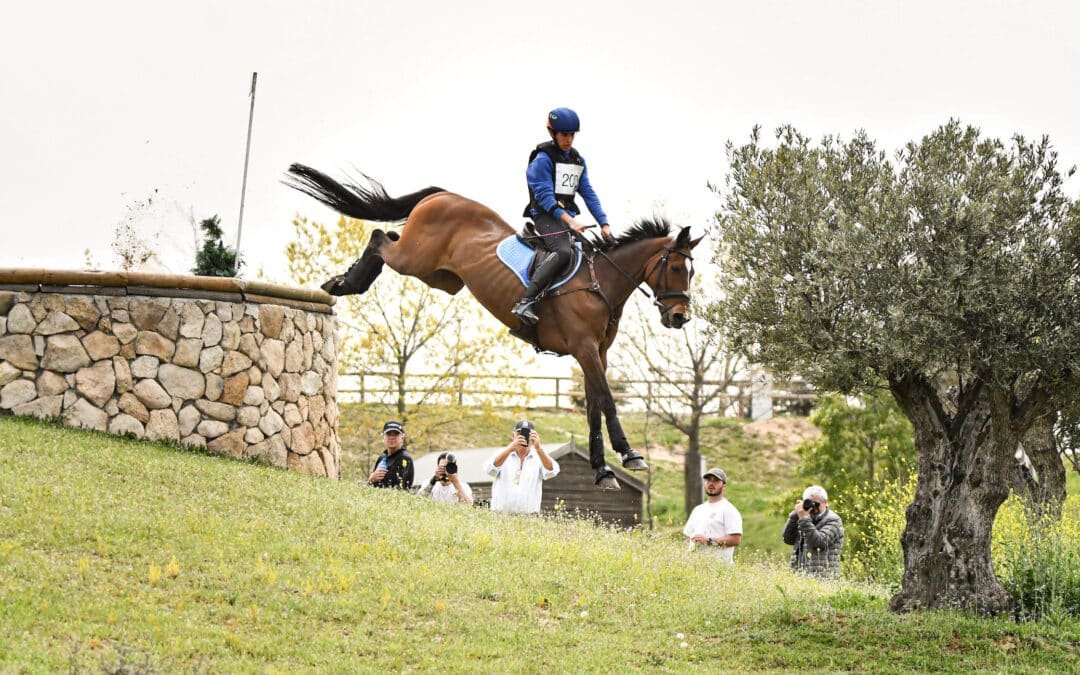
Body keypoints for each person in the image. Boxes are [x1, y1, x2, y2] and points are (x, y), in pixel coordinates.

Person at [512, 107, 615, 324]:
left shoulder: (577, 160)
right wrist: (570, 221)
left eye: (572, 135)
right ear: (552, 133)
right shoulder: (542, 160)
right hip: (545, 216)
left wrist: (604, 224)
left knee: (591, 253)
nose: (568, 139)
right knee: (563, 251)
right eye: (564, 134)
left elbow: (588, 193)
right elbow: (545, 197)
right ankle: (526, 301)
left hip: (566, 217)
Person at [484, 419, 559, 514]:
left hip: (528, 516)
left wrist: (539, 448)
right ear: (513, 436)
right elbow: (490, 470)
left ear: (534, 437)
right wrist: (510, 448)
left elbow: (552, 471)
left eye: (528, 434)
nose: (523, 437)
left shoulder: (539, 456)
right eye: (519, 433)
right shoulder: (501, 453)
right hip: (501, 515)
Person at [782, 485, 844, 578]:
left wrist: (804, 518)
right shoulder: (803, 518)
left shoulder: (834, 520)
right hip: (799, 576)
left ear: (826, 503)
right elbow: (787, 539)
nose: (813, 507)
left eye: (817, 504)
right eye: (810, 503)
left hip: (823, 578)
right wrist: (795, 514)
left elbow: (820, 542)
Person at [683, 468, 743, 563]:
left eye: (716, 481)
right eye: (708, 480)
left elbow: (736, 540)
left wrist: (708, 541)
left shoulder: (729, 510)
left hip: (720, 568)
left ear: (724, 486)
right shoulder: (698, 510)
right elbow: (688, 538)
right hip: (695, 567)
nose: (711, 483)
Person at [366, 420, 414, 490]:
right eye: (388, 434)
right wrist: (370, 480)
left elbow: (402, 489)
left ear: (402, 438)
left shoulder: (404, 459)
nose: (392, 437)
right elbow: (371, 486)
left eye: (396, 434)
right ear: (383, 437)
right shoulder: (382, 458)